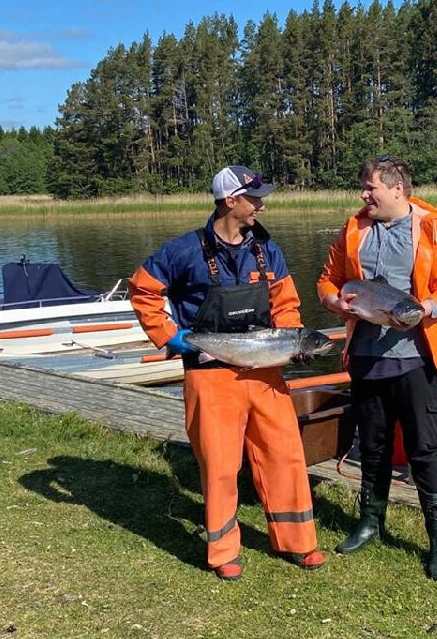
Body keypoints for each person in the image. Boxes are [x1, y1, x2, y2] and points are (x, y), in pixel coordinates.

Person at [129, 165, 324, 581]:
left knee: (284, 454)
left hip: (265, 371)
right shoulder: (182, 251)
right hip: (210, 375)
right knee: (219, 465)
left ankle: (298, 542)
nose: (262, 205)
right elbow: (142, 290)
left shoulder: (266, 248)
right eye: (255, 199)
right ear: (230, 201)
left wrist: (292, 341)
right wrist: (169, 335)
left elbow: (285, 300)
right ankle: (222, 551)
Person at [317, 155, 437, 580]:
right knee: (373, 445)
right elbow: (327, 280)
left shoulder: (433, 228)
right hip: (367, 358)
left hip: (417, 357)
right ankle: (370, 521)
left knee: (425, 448)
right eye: (363, 188)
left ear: (396, 190)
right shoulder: (353, 229)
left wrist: (427, 308)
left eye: (370, 188)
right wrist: (333, 301)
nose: (363, 195)